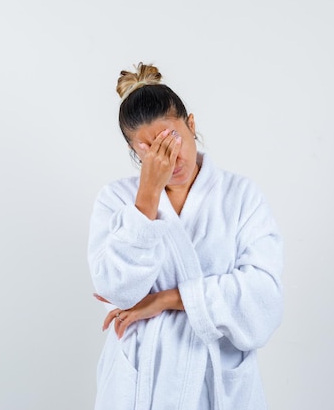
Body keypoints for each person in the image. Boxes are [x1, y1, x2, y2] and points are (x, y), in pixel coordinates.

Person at [87, 62, 284, 410]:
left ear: (191, 124)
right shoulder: (116, 200)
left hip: (216, 381)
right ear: (135, 152)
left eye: (170, 139)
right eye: (149, 149)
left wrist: (167, 299)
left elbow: (263, 300)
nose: (168, 157)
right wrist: (146, 197)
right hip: (143, 382)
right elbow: (116, 290)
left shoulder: (240, 196)